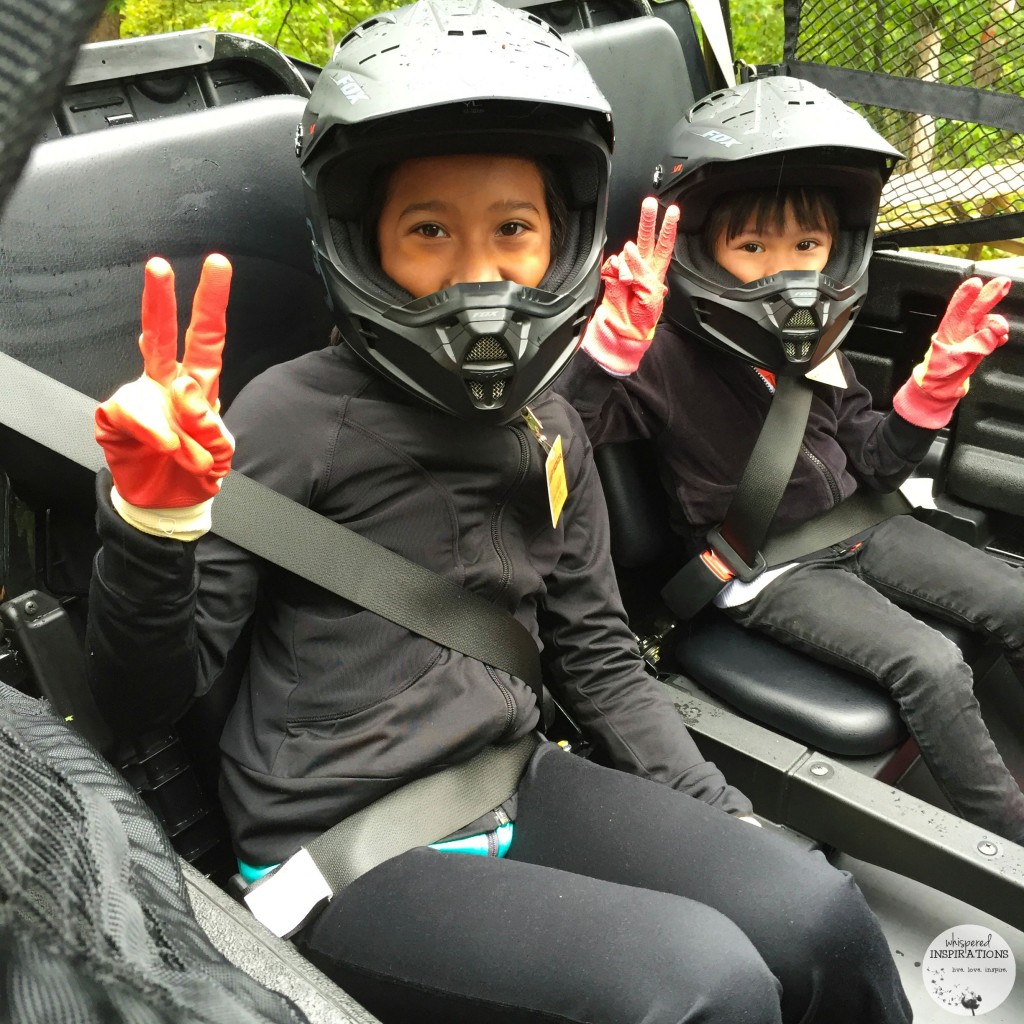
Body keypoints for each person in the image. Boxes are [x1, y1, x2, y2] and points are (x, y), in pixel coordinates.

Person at [85, 8, 911, 1022]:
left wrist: (715, 811)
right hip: (346, 840)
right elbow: (143, 698)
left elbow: (597, 654)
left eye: (511, 229)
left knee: (816, 910)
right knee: (704, 988)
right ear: (362, 239)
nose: (478, 272)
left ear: (557, 239)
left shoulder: (551, 422)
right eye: (430, 229)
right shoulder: (288, 418)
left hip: (516, 770)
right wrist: (152, 524)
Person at [562, 73, 1024, 847]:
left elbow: (874, 463)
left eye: (806, 246)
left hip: (862, 522)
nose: (786, 272)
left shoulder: (817, 347)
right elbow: (563, 442)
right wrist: (605, 357)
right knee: (931, 664)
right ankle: (1006, 836)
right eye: (753, 248)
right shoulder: (662, 356)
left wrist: (929, 391)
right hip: (766, 564)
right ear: (704, 250)